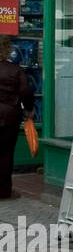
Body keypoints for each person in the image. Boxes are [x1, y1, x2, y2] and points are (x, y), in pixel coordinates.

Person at [0, 35, 35, 200]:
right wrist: (29, 109)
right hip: (9, 116)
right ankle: (4, 191)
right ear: (7, 50)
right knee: (6, 153)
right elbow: (26, 92)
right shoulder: (15, 70)